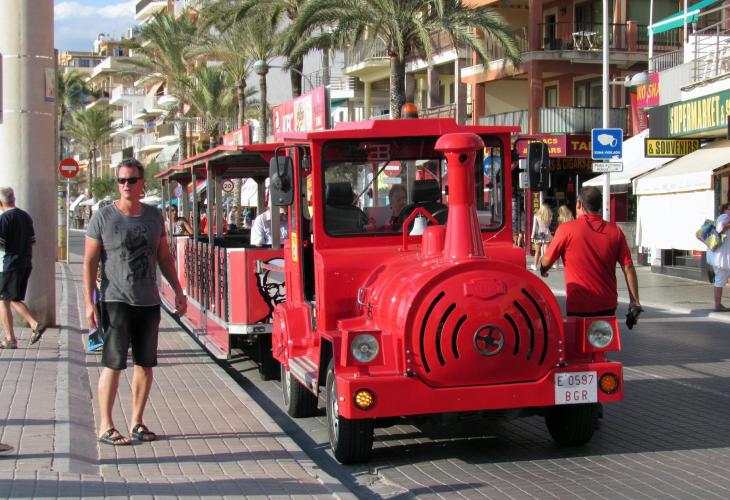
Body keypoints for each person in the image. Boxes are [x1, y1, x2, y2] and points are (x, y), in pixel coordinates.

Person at [83, 159, 186, 446]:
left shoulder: (154, 217)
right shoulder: (103, 217)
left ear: (142, 183)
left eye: (131, 180)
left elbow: (164, 257)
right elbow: (90, 261)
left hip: (148, 300)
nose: (125, 185)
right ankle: (105, 425)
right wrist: (89, 302)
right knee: (113, 363)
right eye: (121, 180)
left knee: (145, 364)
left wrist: (178, 290)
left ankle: (136, 422)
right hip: (115, 299)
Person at [539, 186, 641, 318]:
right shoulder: (615, 231)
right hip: (607, 305)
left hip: (578, 305)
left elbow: (546, 262)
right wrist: (634, 302)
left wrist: (543, 269)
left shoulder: (566, 230)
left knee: (577, 332)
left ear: (579, 204)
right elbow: (628, 268)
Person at [0, 187, 45, 349]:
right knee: (12, 298)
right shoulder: (25, 216)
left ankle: (32, 326)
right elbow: (33, 241)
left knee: (5, 300)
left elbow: (1, 243)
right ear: (14, 199)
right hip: (26, 262)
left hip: (10, 263)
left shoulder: (5, 218)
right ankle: (11, 338)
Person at [710, 203, 730, 311]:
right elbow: (720, 229)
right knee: (720, 280)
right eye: (729, 209)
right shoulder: (724, 217)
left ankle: (718, 305)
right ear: (724, 210)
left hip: (722, 255)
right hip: (721, 257)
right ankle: (717, 305)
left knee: (720, 279)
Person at [530, 202, 553, 271]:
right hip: (547, 234)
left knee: (537, 251)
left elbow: (534, 227)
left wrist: (532, 236)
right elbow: (548, 225)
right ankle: (545, 266)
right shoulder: (549, 216)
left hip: (538, 235)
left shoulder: (536, 216)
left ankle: (535, 266)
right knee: (546, 252)